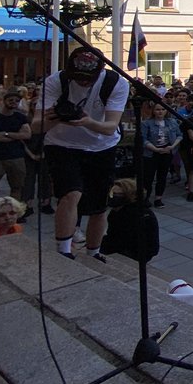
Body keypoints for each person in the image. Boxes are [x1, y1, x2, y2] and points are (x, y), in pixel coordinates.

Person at [36, 47, 129, 260]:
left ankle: (94, 251)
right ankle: (64, 250)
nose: (84, 82)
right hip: (61, 143)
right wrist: (56, 117)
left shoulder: (115, 83)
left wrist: (87, 121)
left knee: (99, 205)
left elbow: (110, 126)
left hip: (101, 145)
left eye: (89, 78)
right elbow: (36, 126)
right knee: (71, 193)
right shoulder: (55, 82)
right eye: (78, 78)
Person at [99, 178, 159, 263]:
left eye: (116, 194)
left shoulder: (131, 214)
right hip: (129, 249)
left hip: (135, 253)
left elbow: (117, 240)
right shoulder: (118, 212)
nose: (111, 197)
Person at [140, 102, 181, 208]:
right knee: (148, 177)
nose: (160, 112)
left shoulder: (172, 122)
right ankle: (145, 198)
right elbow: (143, 139)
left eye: (163, 109)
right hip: (151, 153)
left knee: (162, 176)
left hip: (167, 151)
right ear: (153, 111)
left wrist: (172, 147)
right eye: (158, 109)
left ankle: (158, 198)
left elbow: (179, 135)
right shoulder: (146, 123)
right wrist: (155, 149)